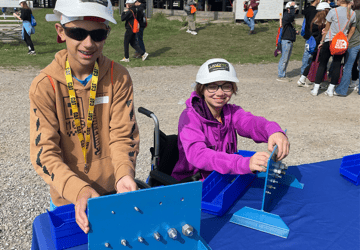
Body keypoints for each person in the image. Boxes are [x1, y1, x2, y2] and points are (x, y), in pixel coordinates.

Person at [30, 0, 140, 234]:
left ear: (106, 34)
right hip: (68, 200)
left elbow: (123, 136)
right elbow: (45, 153)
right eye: (78, 33)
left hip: (113, 193)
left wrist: (124, 174)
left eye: (98, 34)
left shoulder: (118, 76)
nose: (89, 44)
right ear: (61, 32)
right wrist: (77, 190)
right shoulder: (44, 85)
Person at [171, 58, 290, 182]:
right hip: (192, 184)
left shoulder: (231, 112)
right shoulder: (189, 117)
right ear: (202, 88)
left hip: (222, 177)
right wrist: (243, 163)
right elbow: (199, 155)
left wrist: (273, 131)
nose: (220, 93)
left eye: (226, 86)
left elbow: (251, 123)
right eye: (212, 86)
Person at [311, 0, 355, 96]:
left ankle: (316, 88)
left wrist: (322, 41)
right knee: (337, 64)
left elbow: (326, 29)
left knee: (323, 63)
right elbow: (352, 28)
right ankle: (331, 89)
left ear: (339, 1)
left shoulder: (333, 11)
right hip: (341, 42)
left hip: (330, 40)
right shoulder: (352, 13)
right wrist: (347, 39)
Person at [297, 2, 331, 87]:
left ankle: (302, 78)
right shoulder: (324, 22)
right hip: (321, 44)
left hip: (315, 43)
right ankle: (321, 82)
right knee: (322, 63)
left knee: (313, 61)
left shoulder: (315, 20)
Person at [335, 0, 360, 96]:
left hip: (353, 43)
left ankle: (342, 90)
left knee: (348, 67)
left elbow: (351, 28)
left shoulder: (354, 14)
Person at [277, 2, 298, 82]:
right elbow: (291, 16)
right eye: (294, 9)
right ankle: (281, 75)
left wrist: (295, 32)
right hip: (286, 41)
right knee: (284, 58)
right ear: (289, 9)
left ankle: (283, 74)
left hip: (289, 40)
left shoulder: (288, 18)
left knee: (286, 58)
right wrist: (292, 7)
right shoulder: (286, 16)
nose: (295, 10)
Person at [299, 0, 320, 80]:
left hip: (307, 34)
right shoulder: (314, 11)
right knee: (309, 53)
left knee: (307, 52)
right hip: (313, 35)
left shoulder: (307, 10)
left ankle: (304, 71)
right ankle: (304, 72)